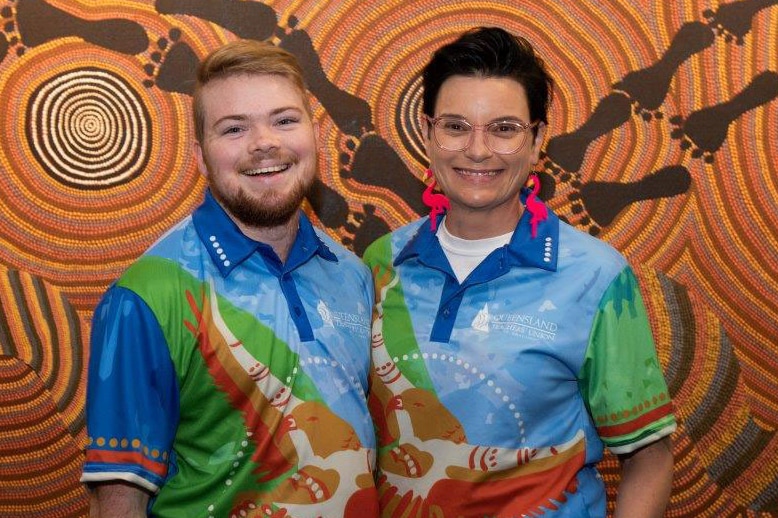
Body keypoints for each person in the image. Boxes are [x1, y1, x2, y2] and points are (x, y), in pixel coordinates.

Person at [363, 27, 676, 517]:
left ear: (536, 141)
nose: (478, 150)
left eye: (504, 129)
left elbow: (648, 457)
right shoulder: (381, 262)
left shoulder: (595, 276)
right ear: (427, 135)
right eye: (455, 126)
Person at [81, 40, 378, 517]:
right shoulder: (145, 297)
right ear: (200, 157)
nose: (265, 142)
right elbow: (119, 503)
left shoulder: (353, 274)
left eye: (284, 120)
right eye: (234, 128)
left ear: (314, 134)